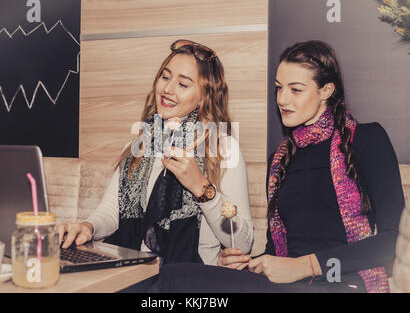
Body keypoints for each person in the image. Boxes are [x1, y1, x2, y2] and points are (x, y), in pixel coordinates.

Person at [148, 40, 405, 293]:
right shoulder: (280, 158)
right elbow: (276, 252)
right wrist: (244, 264)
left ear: (326, 91)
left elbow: (392, 241)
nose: (282, 99)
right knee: (174, 275)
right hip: (287, 286)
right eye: (278, 88)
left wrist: (304, 267)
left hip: (345, 283)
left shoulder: (367, 139)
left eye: (295, 90)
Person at [56, 40, 254, 265]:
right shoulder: (138, 146)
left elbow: (243, 242)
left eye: (183, 84)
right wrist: (88, 227)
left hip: (191, 279)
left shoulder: (223, 149)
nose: (167, 89)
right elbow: (112, 211)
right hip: (132, 271)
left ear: (204, 96)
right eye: (165, 77)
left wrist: (200, 187)